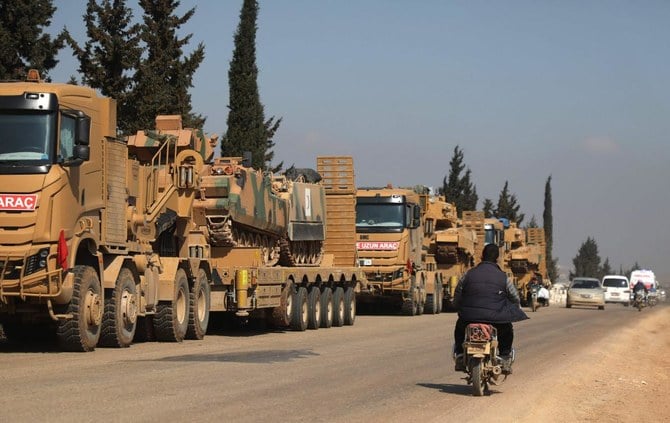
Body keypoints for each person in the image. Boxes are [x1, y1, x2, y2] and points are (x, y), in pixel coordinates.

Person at [452, 243, 529, 374]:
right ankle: (504, 358)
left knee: (460, 328)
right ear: (497, 258)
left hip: (469, 317)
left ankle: (459, 355)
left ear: (482, 256)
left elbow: (458, 293)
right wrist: (515, 307)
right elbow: (515, 297)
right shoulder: (503, 277)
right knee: (507, 330)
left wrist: (458, 306)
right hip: (496, 320)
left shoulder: (468, 274)